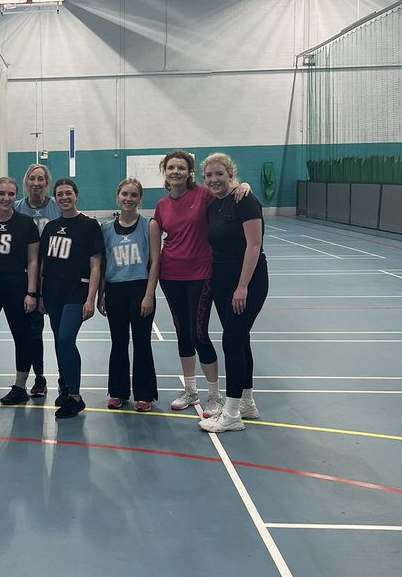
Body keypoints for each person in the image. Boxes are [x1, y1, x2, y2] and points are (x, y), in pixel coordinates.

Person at [150, 150, 247, 418]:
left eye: (181, 168)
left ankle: (214, 395)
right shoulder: (161, 205)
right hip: (170, 275)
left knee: (198, 333)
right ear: (165, 171)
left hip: (200, 275)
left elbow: (226, 190)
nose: (176, 172)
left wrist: (243, 185)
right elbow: (157, 241)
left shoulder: (203, 194)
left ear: (190, 172)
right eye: (171, 168)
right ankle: (190, 390)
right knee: (182, 333)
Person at [198, 154, 268, 433]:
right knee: (241, 340)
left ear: (230, 174)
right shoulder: (213, 204)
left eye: (219, 174)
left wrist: (242, 286)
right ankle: (248, 402)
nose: (214, 180)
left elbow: (254, 246)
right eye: (209, 176)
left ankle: (231, 413)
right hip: (221, 281)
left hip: (247, 282)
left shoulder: (245, 200)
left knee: (231, 341)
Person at [38, 178, 104, 420]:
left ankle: (75, 397)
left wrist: (91, 299)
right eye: (60, 194)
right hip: (53, 293)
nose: (64, 197)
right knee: (58, 342)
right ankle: (66, 386)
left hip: (77, 292)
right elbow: (44, 264)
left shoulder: (89, 226)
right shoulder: (51, 227)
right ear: (55, 198)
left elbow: (95, 265)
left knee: (66, 339)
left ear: (76, 196)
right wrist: (41, 294)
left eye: (68, 193)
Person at [0, 176, 40, 406]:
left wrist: (31, 293)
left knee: (22, 338)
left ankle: (20, 386)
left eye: (11, 194)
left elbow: (33, 261)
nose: (6, 198)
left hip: (16, 287)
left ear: (15, 196)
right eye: (1, 193)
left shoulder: (26, 223)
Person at [98, 178, 159, 411]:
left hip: (140, 288)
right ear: (117, 196)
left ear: (140, 199)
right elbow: (103, 264)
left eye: (134, 195)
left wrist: (149, 294)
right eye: (125, 194)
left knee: (142, 342)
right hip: (115, 290)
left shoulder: (149, 226)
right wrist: (101, 294)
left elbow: (155, 262)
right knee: (119, 342)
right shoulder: (106, 229)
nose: (129, 198)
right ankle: (118, 392)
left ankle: (145, 394)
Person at [14, 163, 60, 398]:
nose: (36, 183)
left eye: (40, 179)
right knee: (33, 331)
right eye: (32, 178)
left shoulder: (56, 207)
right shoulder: (16, 208)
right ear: (26, 182)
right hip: (27, 277)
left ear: (46, 183)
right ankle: (39, 377)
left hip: (54, 276)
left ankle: (65, 378)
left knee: (61, 331)